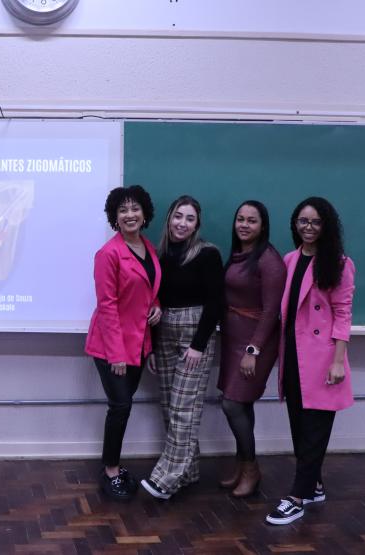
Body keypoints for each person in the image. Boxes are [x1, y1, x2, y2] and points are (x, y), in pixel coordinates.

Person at [266, 197, 355, 526]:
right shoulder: (290, 259)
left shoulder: (339, 263)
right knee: (299, 425)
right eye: (302, 221)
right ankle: (314, 484)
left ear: (326, 226)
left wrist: (338, 361)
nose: (308, 227)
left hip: (322, 357)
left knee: (315, 428)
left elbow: (343, 314)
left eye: (315, 222)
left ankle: (297, 497)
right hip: (292, 354)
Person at [141, 195, 224, 500]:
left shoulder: (207, 254)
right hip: (163, 334)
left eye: (190, 218)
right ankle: (190, 472)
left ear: (197, 224)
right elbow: (152, 301)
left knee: (183, 409)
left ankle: (168, 476)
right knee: (168, 407)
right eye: (178, 216)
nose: (182, 223)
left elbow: (216, 302)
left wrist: (199, 346)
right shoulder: (159, 254)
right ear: (169, 218)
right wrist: (150, 345)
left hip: (194, 335)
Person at [85, 185, 162, 501]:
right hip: (110, 347)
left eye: (135, 209)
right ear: (114, 217)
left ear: (145, 213)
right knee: (121, 406)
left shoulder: (148, 248)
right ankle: (111, 471)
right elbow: (107, 305)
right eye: (123, 210)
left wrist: (157, 306)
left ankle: (112, 466)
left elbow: (149, 289)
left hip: (139, 343)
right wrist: (116, 354)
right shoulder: (108, 253)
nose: (130, 215)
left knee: (122, 406)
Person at [217, 201, 286, 497]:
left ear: (263, 226)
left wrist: (253, 350)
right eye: (240, 219)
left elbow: (271, 311)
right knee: (241, 404)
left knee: (232, 404)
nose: (244, 225)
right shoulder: (238, 254)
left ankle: (251, 468)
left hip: (255, 342)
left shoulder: (268, 260)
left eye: (252, 221)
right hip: (233, 338)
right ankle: (242, 463)